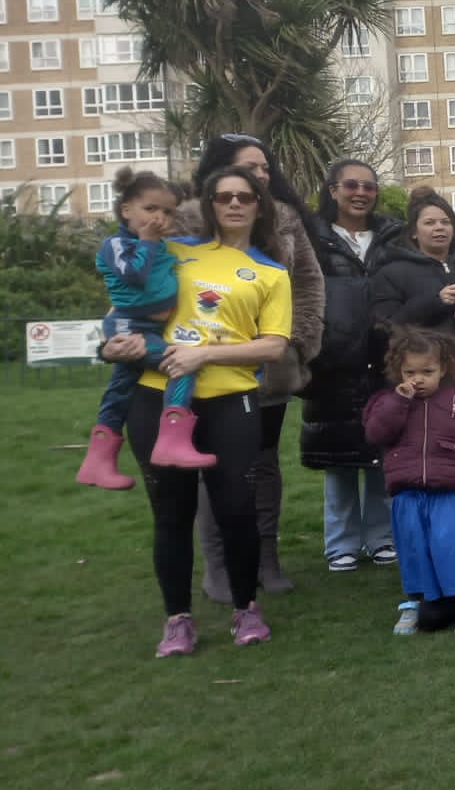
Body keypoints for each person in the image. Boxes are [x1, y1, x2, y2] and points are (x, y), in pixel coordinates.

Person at [101, 165, 293, 657]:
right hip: (155, 395)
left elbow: (272, 346)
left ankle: (247, 608)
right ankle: (177, 619)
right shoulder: (176, 251)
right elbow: (125, 302)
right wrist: (109, 347)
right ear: (208, 204)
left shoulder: (271, 271)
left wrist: (205, 355)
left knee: (236, 509)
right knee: (171, 512)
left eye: (243, 197)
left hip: (231, 399)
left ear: (258, 205)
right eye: (223, 196)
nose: (233, 204)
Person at [185, 134, 324, 602]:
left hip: (271, 366)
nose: (261, 176)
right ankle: (219, 563)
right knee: (216, 464)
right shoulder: (191, 218)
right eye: (250, 168)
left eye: (265, 169)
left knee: (264, 464)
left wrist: (299, 342)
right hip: (208, 369)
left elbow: (307, 281)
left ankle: (266, 556)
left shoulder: (284, 218)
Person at [365, 326, 455, 637]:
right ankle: (415, 600)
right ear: (398, 370)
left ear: (443, 369)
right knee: (414, 547)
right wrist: (399, 402)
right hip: (407, 494)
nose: (418, 378)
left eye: (427, 371)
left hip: (451, 492)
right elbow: (376, 433)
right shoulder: (387, 402)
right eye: (410, 371)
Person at [302, 158, 402, 573]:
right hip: (334, 358)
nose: (360, 193)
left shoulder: (392, 236)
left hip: (385, 358)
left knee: (382, 451)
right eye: (351, 185)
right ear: (332, 190)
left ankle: (381, 538)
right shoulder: (314, 237)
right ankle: (341, 543)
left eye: (369, 186)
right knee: (339, 454)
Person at [77, 169, 195, 488]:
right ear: (126, 209)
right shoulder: (115, 244)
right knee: (180, 365)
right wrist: (147, 242)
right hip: (130, 326)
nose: (159, 217)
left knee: (120, 390)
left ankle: (97, 462)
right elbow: (135, 275)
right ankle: (172, 440)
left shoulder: (163, 246)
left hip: (146, 328)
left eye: (167, 212)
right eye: (151, 209)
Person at [368, 190, 455, 378]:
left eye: (445, 222)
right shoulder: (392, 272)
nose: (439, 228)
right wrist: (435, 302)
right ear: (414, 232)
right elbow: (385, 328)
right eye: (429, 223)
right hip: (422, 378)